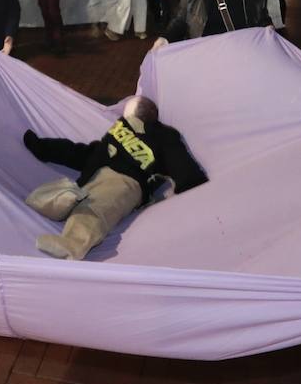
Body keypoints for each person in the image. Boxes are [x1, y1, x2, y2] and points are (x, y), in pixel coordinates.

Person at [22, 95, 208, 260]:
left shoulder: (165, 137)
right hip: (96, 168)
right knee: (59, 192)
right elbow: (82, 152)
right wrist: (43, 148)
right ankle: (64, 201)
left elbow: (185, 170)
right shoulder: (123, 124)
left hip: (127, 181)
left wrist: (191, 187)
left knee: (97, 207)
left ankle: (72, 244)